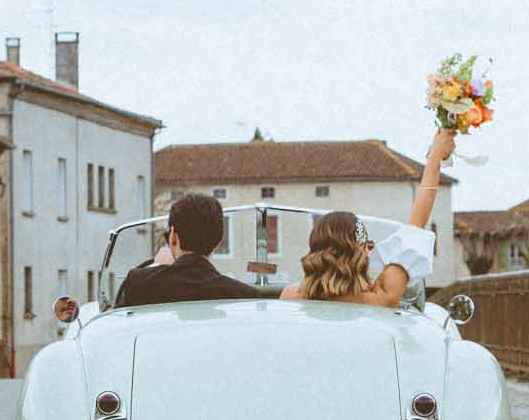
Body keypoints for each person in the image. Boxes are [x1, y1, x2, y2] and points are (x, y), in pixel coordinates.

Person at [280, 127, 454, 308]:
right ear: (360, 250)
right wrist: (435, 156)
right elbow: (417, 222)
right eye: (369, 245)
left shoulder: (290, 296)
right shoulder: (380, 298)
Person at [113, 191, 263, 307]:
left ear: (173, 237)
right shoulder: (246, 296)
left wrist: (156, 268)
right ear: (219, 242)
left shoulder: (140, 284)